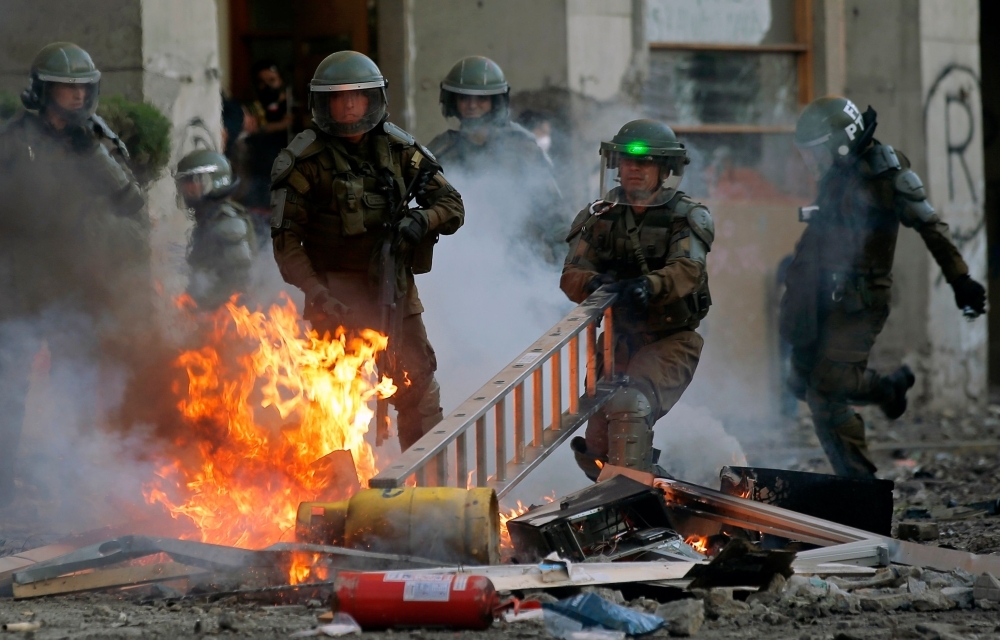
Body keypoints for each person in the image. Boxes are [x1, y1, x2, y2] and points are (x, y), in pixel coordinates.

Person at [780, 96, 986, 478]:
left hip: (861, 299)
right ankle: (888, 390)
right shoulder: (838, 175)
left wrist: (960, 279)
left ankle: (858, 484)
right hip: (821, 293)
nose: (811, 164)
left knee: (829, 388)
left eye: (815, 153)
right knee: (801, 380)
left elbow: (931, 226)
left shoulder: (886, 173)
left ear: (840, 142)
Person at [270, 51, 465, 451]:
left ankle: (427, 486)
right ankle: (337, 497)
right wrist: (316, 291)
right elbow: (287, 244)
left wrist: (420, 221)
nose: (348, 106)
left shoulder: (398, 149)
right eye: (338, 98)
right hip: (334, 294)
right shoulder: (303, 161)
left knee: (418, 385)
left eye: (356, 96)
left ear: (372, 99)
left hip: (393, 286)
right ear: (322, 103)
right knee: (332, 398)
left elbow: (452, 206)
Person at [0, 42, 144, 506]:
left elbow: (131, 203)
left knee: (76, 382)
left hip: (75, 281)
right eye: (67, 88)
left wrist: (92, 152)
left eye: (84, 88)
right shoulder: (12, 139)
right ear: (44, 91)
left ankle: (69, 483)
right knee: (11, 384)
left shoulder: (97, 139)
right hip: (20, 280)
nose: (78, 96)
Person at [561, 119, 713, 479]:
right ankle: (652, 496)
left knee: (631, 405)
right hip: (617, 341)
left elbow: (688, 269)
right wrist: (596, 282)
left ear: (663, 169)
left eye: (644, 163)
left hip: (671, 339)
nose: (634, 169)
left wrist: (648, 287)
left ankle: (643, 509)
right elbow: (571, 276)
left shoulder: (687, 216)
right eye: (628, 161)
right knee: (597, 449)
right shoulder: (599, 215)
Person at [428, 56, 565, 262]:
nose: (472, 106)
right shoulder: (441, 151)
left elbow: (553, 212)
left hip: (520, 261)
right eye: (464, 98)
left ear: (495, 101)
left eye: (481, 98)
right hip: (461, 261)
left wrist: (566, 264)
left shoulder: (522, 147)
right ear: (453, 101)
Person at [175, 150, 256, 309]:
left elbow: (239, 281)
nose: (187, 187)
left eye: (194, 180)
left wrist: (204, 307)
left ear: (214, 180)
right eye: (185, 181)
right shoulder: (210, 217)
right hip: (213, 309)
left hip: (228, 315)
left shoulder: (227, 222)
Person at [245, 60, 294, 211]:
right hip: (259, 172)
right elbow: (253, 129)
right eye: (262, 82)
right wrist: (279, 125)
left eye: (272, 80)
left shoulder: (291, 105)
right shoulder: (253, 106)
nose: (267, 86)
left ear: (281, 80)